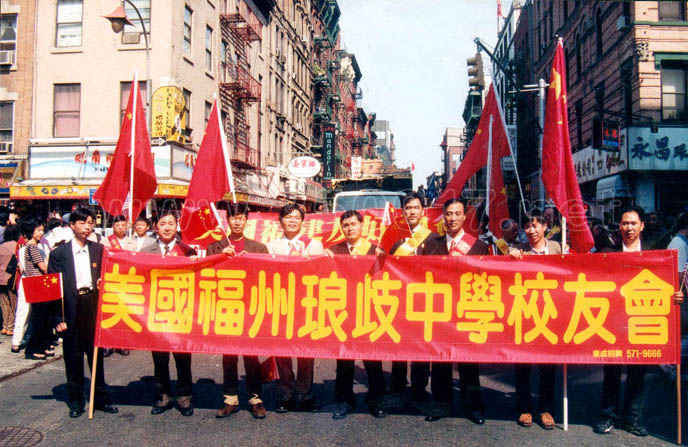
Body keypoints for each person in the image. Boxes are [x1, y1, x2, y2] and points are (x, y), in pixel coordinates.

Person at [593, 206, 683, 436]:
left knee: (637, 374)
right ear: (619, 226)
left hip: (641, 320)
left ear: (642, 226)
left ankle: (631, 418)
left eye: (633, 223)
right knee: (611, 373)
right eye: (625, 223)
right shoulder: (608, 254)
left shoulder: (656, 255)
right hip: (613, 322)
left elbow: (667, 285)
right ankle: (608, 416)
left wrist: (677, 296)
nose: (629, 228)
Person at [412, 197, 488, 424]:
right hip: (440, 311)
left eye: (457, 214)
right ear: (443, 217)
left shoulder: (478, 247)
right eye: (448, 214)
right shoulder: (430, 245)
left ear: (464, 216)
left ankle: (473, 406)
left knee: (469, 362)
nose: (452, 218)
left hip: (467, 311)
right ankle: (441, 404)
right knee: (440, 361)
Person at [48, 208, 118, 418]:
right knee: (73, 355)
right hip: (71, 306)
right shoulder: (59, 254)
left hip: (92, 303)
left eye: (90, 223)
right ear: (72, 225)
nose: (87, 227)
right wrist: (58, 318)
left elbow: (109, 274)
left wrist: (104, 281)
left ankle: (100, 399)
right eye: (82, 223)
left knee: (96, 355)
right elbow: (53, 289)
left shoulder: (98, 249)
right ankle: (76, 401)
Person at [207, 202, 268, 420]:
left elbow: (267, 277)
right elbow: (207, 276)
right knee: (229, 356)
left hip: (250, 309)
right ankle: (230, 399)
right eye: (233, 218)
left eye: (241, 218)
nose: (237, 222)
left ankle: (255, 399)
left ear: (246, 220)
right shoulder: (215, 247)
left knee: (251, 356)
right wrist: (220, 259)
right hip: (226, 308)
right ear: (227, 220)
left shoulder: (259, 248)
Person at [324, 210, 386, 420]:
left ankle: (376, 400)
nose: (350, 228)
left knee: (373, 360)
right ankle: (344, 401)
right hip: (344, 313)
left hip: (368, 312)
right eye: (346, 225)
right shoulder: (334, 251)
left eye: (353, 224)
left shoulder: (375, 250)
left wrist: (383, 260)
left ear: (362, 226)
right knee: (344, 360)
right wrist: (323, 259)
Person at [266, 203, 324, 413]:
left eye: (296, 218)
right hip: (281, 303)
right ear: (280, 221)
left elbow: (321, 274)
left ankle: (304, 393)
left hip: (306, 304)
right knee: (282, 351)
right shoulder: (271, 246)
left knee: (306, 351)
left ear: (302, 221)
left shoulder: (314, 245)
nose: (292, 221)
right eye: (288, 217)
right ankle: (286, 393)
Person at [141, 210, 198, 416]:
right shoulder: (147, 250)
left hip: (181, 311)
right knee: (160, 359)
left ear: (177, 226)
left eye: (171, 223)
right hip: (156, 312)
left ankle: (185, 397)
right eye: (163, 224)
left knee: (183, 358)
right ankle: (163, 397)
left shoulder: (188, 250)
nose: (167, 228)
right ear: (155, 227)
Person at [508, 209, 561, 430]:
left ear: (545, 227)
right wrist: (511, 257)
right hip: (525, 313)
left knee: (548, 366)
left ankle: (546, 409)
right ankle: (525, 408)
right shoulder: (519, 250)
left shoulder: (558, 248)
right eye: (528, 226)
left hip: (550, 314)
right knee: (523, 365)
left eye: (536, 225)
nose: (531, 230)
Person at [388, 192, 436, 414]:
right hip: (399, 300)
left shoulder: (434, 239)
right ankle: (398, 386)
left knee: (420, 345)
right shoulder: (394, 239)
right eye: (408, 208)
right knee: (398, 344)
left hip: (423, 300)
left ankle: (419, 388)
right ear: (403, 212)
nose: (412, 211)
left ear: (423, 211)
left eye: (416, 207)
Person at [101, 215, 134, 357]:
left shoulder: (132, 242)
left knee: (123, 314)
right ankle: (107, 344)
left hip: (126, 281)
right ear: (113, 227)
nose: (120, 228)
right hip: (111, 280)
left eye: (123, 225)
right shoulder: (105, 241)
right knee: (109, 313)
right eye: (117, 225)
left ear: (127, 226)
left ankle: (122, 344)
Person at [22, 218, 54, 360]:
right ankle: (32, 349)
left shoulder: (35, 246)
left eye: (42, 230)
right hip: (37, 284)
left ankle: (42, 346)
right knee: (39, 319)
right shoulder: (32, 247)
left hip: (39, 284)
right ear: (31, 231)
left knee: (44, 318)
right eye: (38, 230)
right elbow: (43, 267)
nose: (42, 233)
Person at [0, 225, 19, 337]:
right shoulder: (16, 246)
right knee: (13, 303)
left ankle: (5, 326)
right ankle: (11, 327)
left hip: (0, 278)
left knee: (4, 303)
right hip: (11, 279)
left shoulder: (1, 246)